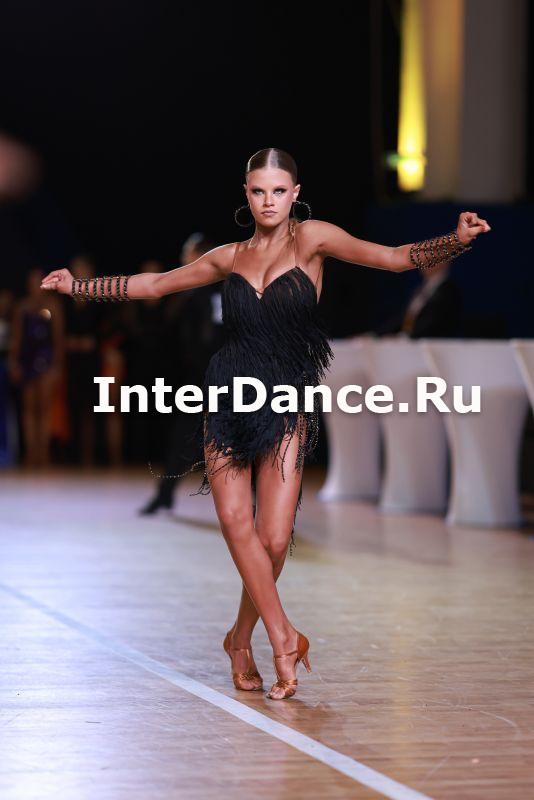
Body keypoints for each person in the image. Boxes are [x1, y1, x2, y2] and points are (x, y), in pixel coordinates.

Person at [40, 147, 491, 700]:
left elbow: (395, 258)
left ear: (295, 194)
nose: (269, 201)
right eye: (258, 191)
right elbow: (154, 286)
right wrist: (78, 288)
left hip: (285, 400)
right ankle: (283, 638)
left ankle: (238, 639)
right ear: (246, 194)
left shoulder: (314, 239)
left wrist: (455, 241)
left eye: (279, 191)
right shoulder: (228, 256)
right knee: (236, 521)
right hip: (227, 394)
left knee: (274, 539)